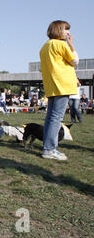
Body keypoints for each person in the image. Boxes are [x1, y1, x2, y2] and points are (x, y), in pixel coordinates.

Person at [40, 20, 79, 161]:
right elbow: (75, 60)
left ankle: (47, 146)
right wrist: (71, 44)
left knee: (51, 117)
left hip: (52, 86)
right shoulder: (61, 44)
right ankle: (49, 149)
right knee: (56, 117)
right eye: (65, 29)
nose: (68, 32)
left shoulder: (45, 46)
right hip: (63, 84)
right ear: (58, 30)